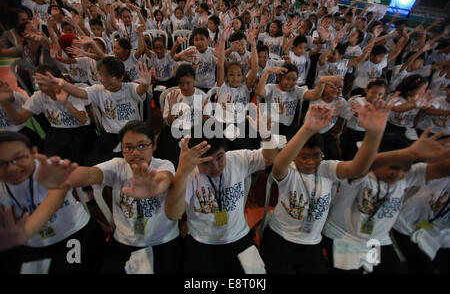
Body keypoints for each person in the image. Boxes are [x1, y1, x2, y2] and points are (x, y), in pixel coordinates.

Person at [261, 95, 394, 274]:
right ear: (295, 156)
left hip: (313, 243)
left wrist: (374, 134)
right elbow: (278, 166)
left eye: (316, 155)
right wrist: (307, 128)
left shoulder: (326, 168)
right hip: (280, 238)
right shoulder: (289, 169)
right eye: (304, 157)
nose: (310, 162)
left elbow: (357, 169)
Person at [52, 121, 182, 274]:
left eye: (142, 146)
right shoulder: (117, 166)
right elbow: (89, 174)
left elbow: (164, 178)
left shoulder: (163, 165)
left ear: (153, 144)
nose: (135, 153)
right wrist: (63, 175)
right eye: (128, 148)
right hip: (124, 241)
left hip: (162, 240)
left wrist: (155, 188)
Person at [322, 129, 450, 274]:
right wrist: (410, 153)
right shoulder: (360, 174)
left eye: (405, 169)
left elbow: (439, 170)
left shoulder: (405, 177)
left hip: (376, 240)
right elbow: (366, 164)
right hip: (344, 238)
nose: (399, 174)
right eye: (393, 167)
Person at [164, 116, 278, 273]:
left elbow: (269, 158)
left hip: (239, 237)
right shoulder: (190, 173)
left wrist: (267, 136)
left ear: (225, 151)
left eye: (219, 157)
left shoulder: (237, 159)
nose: (215, 167)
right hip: (201, 241)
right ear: (196, 160)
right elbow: (172, 214)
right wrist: (181, 172)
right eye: (206, 162)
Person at [0, 131, 105, 274]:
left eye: (18, 158)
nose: (12, 167)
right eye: (2, 163)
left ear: (34, 153)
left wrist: (23, 234)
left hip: (72, 233)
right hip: (33, 244)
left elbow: (57, 196)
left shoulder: (49, 168)